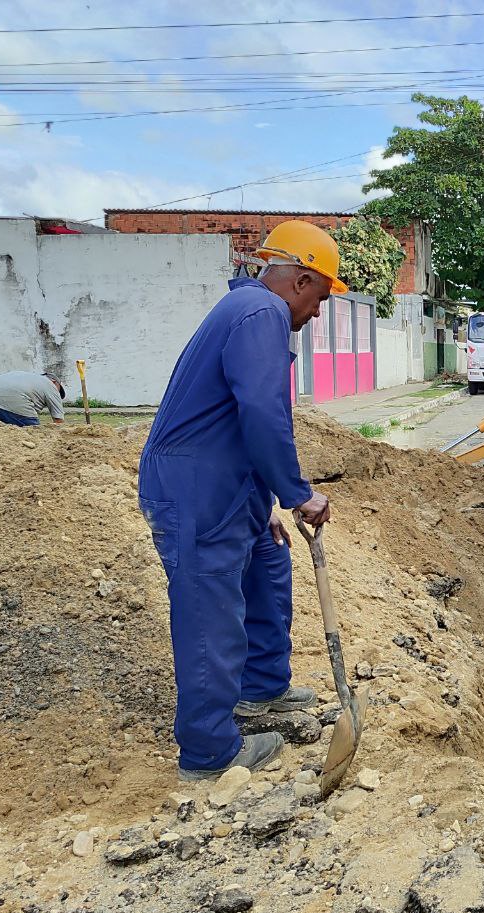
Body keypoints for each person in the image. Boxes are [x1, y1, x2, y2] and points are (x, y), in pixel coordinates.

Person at [138, 220, 342, 781]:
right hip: (195, 490)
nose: (317, 314)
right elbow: (261, 412)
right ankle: (209, 752)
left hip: (227, 485)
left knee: (269, 561)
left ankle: (261, 689)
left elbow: (240, 416)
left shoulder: (252, 310)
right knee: (211, 612)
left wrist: (266, 503)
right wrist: (298, 494)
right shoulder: (262, 312)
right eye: (321, 299)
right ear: (301, 280)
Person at [0, 371, 65, 435]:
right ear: (54, 382)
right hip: (16, 400)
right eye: (59, 390)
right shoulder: (50, 385)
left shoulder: (25, 377)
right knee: (33, 438)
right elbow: (58, 421)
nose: (58, 394)